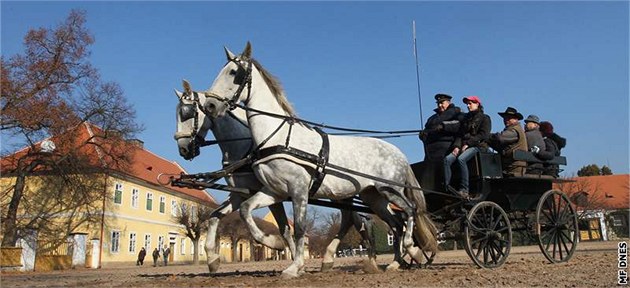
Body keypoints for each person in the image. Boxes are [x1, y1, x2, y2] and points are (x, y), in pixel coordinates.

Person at [443, 96, 491, 198]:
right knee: (447, 159)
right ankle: (447, 187)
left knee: (461, 159)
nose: (468, 106)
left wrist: (468, 143)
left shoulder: (485, 118)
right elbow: (460, 135)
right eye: (467, 104)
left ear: (477, 104)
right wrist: (456, 147)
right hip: (464, 145)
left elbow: (483, 135)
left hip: (479, 146)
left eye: (470, 103)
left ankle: (464, 189)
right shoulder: (466, 119)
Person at [419, 93, 462, 162]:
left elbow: (459, 126)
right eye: (438, 103)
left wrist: (443, 126)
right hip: (431, 151)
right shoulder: (432, 119)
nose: (440, 105)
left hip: (447, 148)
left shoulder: (456, 113)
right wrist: (423, 134)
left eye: (442, 103)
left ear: (448, 102)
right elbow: (427, 129)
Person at [489, 107, 528, 176]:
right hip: (511, 165)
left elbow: (500, 138)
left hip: (514, 167)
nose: (506, 120)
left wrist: (486, 135)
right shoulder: (513, 129)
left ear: (516, 119)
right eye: (505, 118)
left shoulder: (515, 130)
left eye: (509, 118)